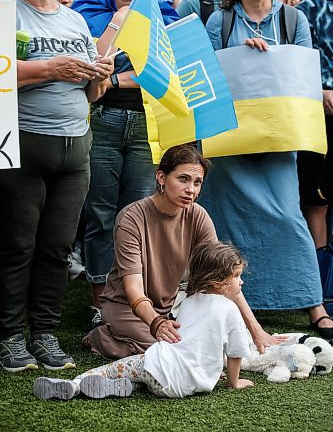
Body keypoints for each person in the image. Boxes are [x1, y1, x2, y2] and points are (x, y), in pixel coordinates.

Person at [200, 0, 333, 338]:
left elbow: (304, 74)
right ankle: (232, 303)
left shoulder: (294, 20)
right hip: (230, 138)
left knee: (287, 216)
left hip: (279, 135)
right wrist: (240, 55)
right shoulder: (219, 23)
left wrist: (271, 57)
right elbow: (208, 77)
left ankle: (313, 304)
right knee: (227, 220)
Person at [0, 0, 113, 373]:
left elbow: (92, 94)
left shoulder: (75, 21)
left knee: (56, 248)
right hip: (21, 145)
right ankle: (10, 337)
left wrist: (100, 74)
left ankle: (44, 333)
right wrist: (51, 67)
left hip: (74, 148)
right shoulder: (6, 15)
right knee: (16, 246)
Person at [82, 145, 285, 359]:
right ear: (161, 177)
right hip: (127, 309)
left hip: (167, 310)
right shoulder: (132, 218)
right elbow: (133, 291)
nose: (191, 190)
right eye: (183, 179)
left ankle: (125, 343)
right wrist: (157, 323)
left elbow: (223, 275)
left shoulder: (198, 216)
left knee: (195, 347)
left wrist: (256, 331)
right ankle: (102, 338)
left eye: (197, 183)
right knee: (174, 353)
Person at [71, 0, 179, 331]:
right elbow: (91, 63)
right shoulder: (87, 10)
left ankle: (133, 299)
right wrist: (119, 24)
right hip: (102, 119)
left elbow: (166, 74)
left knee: (136, 216)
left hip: (147, 126)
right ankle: (100, 300)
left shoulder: (165, 12)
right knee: (100, 215)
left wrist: (117, 76)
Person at [33, 240, 253, 400]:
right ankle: (113, 387)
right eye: (237, 276)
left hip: (158, 367)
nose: (241, 282)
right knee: (142, 378)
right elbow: (235, 352)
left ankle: (75, 384)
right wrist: (234, 382)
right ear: (216, 281)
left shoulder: (189, 302)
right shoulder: (229, 309)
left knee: (116, 368)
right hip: (185, 387)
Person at [296, 0, 333, 256]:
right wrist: (319, 89)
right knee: (316, 199)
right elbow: (295, 65)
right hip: (317, 117)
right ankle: (321, 283)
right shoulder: (303, 12)